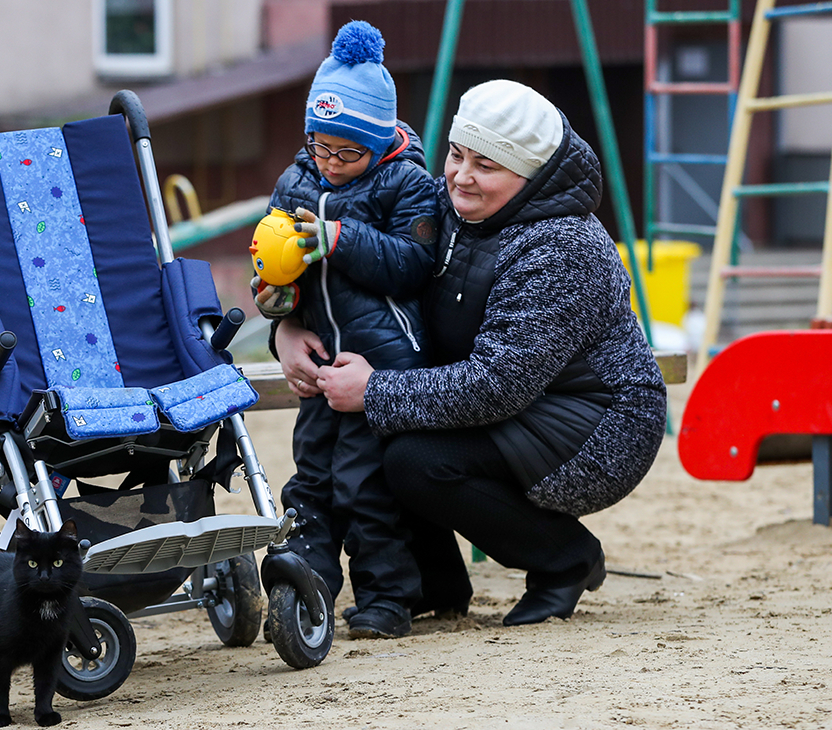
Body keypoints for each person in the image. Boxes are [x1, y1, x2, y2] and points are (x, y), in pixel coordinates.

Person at [276, 78, 668, 626]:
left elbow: (496, 386)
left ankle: (565, 560)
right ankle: (435, 584)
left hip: (595, 423)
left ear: (529, 175)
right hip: (518, 398)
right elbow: (344, 264)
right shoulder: (443, 203)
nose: (461, 176)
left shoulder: (563, 248)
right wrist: (287, 326)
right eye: (457, 155)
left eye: (486, 165)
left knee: (415, 460)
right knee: (394, 434)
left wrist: (374, 389)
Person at [253, 20, 440, 639]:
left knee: (364, 485)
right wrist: (279, 306)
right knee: (310, 477)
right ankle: (308, 587)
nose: (331, 164)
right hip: (322, 364)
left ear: (379, 140)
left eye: (347, 153)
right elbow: (280, 261)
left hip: (382, 362)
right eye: (320, 146)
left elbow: (414, 264)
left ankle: (388, 597)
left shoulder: (405, 181)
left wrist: (339, 237)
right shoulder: (297, 180)